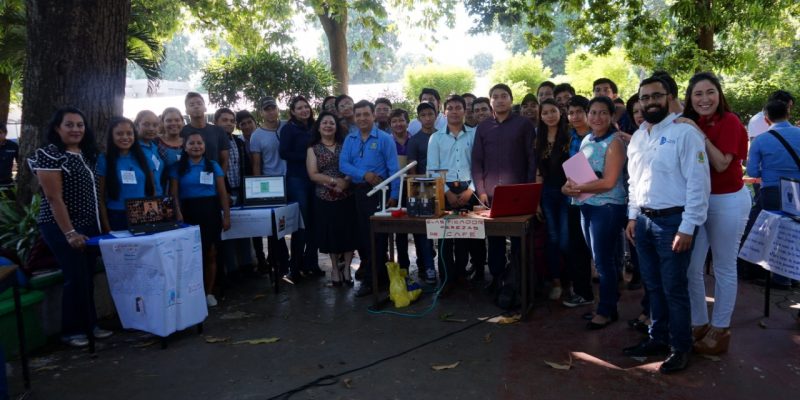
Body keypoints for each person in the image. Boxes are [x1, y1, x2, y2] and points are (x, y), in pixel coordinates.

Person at [623, 76, 710, 374]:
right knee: (653, 285)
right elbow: (634, 181)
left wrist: (688, 227)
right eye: (644, 98)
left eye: (656, 96)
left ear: (670, 97)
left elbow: (699, 184)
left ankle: (680, 347)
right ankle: (656, 338)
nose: (649, 102)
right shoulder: (638, 137)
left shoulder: (685, 133)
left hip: (674, 222)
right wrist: (633, 217)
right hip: (644, 222)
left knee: (674, 287)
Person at [27, 107, 113, 347]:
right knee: (74, 276)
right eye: (70, 125)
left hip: (90, 226)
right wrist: (69, 232)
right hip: (62, 227)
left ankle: (90, 325)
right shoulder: (49, 154)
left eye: (80, 125)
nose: (76, 129)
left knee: (86, 276)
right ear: (57, 128)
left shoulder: (87, 154)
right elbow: (54, 199)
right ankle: (72, 330)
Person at [678, 72, 751, 355]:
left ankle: (720, 329)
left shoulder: (729, 121)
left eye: (710, 92)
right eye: (698, 94)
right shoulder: (690, 123)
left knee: (723, 267)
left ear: (719, 94)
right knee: (691, 268)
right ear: (690, 98)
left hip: (727, 201)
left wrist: (698, 135)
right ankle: (699, 322)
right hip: (698, 203)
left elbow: (721, 164)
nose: (704, 99)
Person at [562, 97, 627, 330]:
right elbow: (578, 174)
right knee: (599, 260)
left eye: (603, 113)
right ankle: (608, 306)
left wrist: (576, 188)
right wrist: (567, 186)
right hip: (586, 205)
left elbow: (609, 182)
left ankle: (606, 309)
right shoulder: (586, 139)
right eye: (593, 113)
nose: (597, 118)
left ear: (611, 116)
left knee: (604, 261)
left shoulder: (615, 142)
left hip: (608, 207)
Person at [471, 83, 536, 291]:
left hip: (518, 192)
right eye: (495, 97)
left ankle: (519, 278)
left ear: (511, 99)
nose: (499, 100)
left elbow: (531, 159)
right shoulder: (483, 128)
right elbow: (477, 161)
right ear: (491, 102)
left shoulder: (523, 125)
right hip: (491, 193)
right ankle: (497, 278)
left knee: (519, 239)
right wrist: (480, 190)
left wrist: (529, 189)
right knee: (495, 240)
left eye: (504, 96)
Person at [339, 100, 399, 297]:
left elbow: (394, 169)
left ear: (373, 115)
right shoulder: (351, 138)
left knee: (377, 238)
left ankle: (371, 281)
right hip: (358, 192)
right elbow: (343, 165)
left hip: (379, 193)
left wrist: (394, 194)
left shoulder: (384, 138)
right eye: (359, 115)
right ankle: (378, 276)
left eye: (366, 114)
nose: (362, 118)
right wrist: (364, 174)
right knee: (363, 238)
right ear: (354, 118)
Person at [427, 95, 485, 292]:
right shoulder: (436, 137)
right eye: (450, 108)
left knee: (466, 237)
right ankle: (446, 279)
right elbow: (432, 169)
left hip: (470, 189)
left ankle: (462, 276)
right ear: (444, 113)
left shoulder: (475, 134)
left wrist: (471, 190)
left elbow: (479, 165)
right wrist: (446, 192)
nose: (454, 111)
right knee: (444, 239)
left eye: (458, 107)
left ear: (464, 110)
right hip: (445, 189)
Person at [170, 131, 231, 307]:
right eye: (192, 143)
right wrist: (177, 213)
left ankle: (209, 292)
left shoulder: (212, 165)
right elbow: (173, 194)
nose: (196, 146)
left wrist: (226, 216)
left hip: (210, 212)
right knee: (191, 255)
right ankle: (191, 293)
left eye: (199, 143)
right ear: (185, 146)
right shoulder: (177, 167)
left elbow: (222, 193)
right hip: (188, 213)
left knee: (211, 253)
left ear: (204, 147)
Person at [747, 99, 800, 288]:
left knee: (776, 233)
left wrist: (769, 172)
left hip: (772, 191)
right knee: (795, 231)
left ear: (767, 119)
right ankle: (794, 275)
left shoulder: (761, 140)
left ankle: (780, 277)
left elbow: (752, 172)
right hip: (798, 191)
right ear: (788, 114)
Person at [306, 111, 357, 287]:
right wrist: (335, 181)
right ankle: (335, 268)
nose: (328, 126)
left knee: (349, 234)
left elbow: (353, 166)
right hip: (325, 198)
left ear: (337, 127)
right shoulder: (313, 149)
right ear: (319, 127)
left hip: (347, 196)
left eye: (332, 123)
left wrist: (347, 182)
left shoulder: (346, 145)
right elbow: (313, 174)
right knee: (331, 236)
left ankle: (347, 268)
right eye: (325, 123)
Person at [279, 95, 322, 277]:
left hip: (317, 179)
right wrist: (308, 157)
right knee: (301, 224)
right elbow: (284, 153)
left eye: (306, 107)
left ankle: (311, 263)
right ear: (293, 112)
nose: (304, 110)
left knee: (315, 222)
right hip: (297, 180)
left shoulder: (314, 127)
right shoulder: (289, 129)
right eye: (299, 108)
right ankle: (294, 267)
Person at [560, 96, 595, 309]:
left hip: (598, 200)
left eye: (579, 112)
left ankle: (608, 298)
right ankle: (583, 292)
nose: (574, 117)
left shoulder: (598, 136)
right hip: (574, 199)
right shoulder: (570, 137)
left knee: (599, 250)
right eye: (571, 113)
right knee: (577, 248)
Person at [250, 96, 291, 279]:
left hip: (291, 179)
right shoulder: (256, 135)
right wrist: (258, 188)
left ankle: (296, 262)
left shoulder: (287, 126)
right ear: (261, 112)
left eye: (273, 108)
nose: (271, 112)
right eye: (267, 109)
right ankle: (281, 262)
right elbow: (256, 164)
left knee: (294, 222)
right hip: (272, 184)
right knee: (275, 226)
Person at [535, 99, 570, 300]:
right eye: (545, 112)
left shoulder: (569, 134)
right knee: (553, 238)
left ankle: (569, 281)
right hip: (547, 193)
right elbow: (539, 172)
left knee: (566, 240)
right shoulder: (538, 138)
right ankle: (556, 281)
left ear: (560, 112)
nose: (549, 115)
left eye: (553, 111)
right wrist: (536, 200)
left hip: (569, 192)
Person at [213, 108, 255, 280]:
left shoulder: (238, 141)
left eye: (231, 120)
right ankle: (232, 269)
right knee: (227, 231)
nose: (229, 123)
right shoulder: (212, 141)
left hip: (241, 190)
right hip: (224, 192)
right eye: (225, 120)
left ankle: (247, 265)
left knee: (245, 229)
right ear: (216, 122)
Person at [97, 117, 156, 232]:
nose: (125, 137)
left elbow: (152, 191)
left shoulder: (144, 158)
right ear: (112, 136)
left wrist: (154, 219)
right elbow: (100, 197)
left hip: (143, 214)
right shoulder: (104, 159)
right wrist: (108, 228)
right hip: (116, 215)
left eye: (129, 133)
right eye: (119, 134)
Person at [236, 109, 269, 273]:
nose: (247, 126)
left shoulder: (263, 136)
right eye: (243, 124)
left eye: (250, 122)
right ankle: (259, 257)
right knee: (254, 225)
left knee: (269, 223)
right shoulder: (239, 142)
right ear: (239, 126)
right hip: (249, 186)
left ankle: (272, 258)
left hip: (267, 182)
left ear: (255, 122)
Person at [388, 108, 412, 272]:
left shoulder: (414, 139)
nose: (398, 124)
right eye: (394, 121)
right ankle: (403, 265)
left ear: (407, 122)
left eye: (401, 120)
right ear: (390, 125)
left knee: (418, 226)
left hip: (414, 187)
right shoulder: (387, 142)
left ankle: (426, 264)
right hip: (395, 188)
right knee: (400, 228)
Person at [180, 92, 230, 168]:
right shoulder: (182, 132)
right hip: (189, 177)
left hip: (215, 176)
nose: (196, 106)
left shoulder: (218, 131)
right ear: (186, 111)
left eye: (199, 103)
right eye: (191, 105)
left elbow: (225, 160)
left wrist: (220, 177)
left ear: (205, 108)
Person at [134, 110, 165, 196]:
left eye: (155, 125)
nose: (151, 128)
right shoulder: (134, 149)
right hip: (142, 198)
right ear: (137, 126)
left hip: (158, 195)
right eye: (146, 124)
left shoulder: (154, 147)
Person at [0, 123, 18, 189]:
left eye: (0, 133)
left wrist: (17, 177)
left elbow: (20, 163)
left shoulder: (13, 146)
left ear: (5, 133)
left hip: (7, 183)